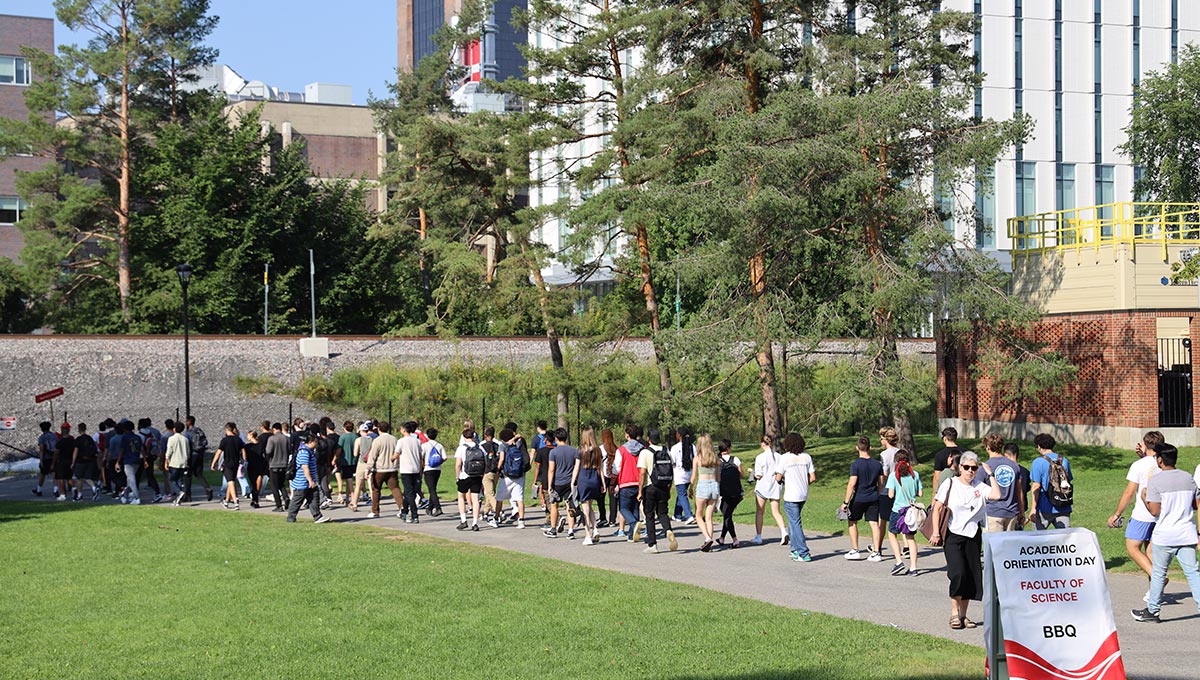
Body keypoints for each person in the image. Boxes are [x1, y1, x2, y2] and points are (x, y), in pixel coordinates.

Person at [929, 451, 1003, 630]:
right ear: (960, 467)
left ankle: (963, 616)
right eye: (967, 467)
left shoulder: (979, 486)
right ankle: (954, 612)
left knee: (971, 575)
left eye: (974, 468)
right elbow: (938, 507)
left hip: (973, 535)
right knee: (958, 573)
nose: (970, 471)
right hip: (953, 534)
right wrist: (936, 532)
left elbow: (997, 495)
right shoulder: (950, 483)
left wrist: (990, 474)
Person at [1130, 443, 1200, 624]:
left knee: (1159, 573)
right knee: (1193, 572)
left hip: (1165, 535)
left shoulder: (1156, 481)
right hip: (1187, 533)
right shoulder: (1188, 478)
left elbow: (1154, 511)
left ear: (1160, 459)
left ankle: (1153, 611)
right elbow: (1194, 505)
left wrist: (1145, 497)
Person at [1108, 431, 1165, 593]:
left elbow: (1129, 492)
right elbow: (1152, 472)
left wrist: (1117, 514)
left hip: (1142, 514)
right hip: (1160, 514)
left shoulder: (1138, 466)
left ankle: (1157, 577)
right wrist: (1143, 456)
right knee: (1151, 551)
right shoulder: (1163, 463)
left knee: (1133, 548)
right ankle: (1154, 592)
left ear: (1145, 445)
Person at [840, 436, 884, 561]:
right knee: (874, 524)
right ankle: (876, 552)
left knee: (852, 522)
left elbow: (852, 484)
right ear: (869, 448)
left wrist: (845, 502)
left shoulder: (856, 465)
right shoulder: (877, 464)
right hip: (874, 497)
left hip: (859, 498)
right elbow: (881, 483)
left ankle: (855, 549)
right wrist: (879, 495)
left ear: (857, 448)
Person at [775, 433, 815, 562]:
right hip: (803, 493)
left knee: (795, 523)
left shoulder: (784, 458)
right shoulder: (806, 457)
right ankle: (794, 549)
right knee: (793, 522)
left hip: (791, 495)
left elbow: (778, 477)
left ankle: (804, 552)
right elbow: (812, 477)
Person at [637, 428, 677, 553]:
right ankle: (668, 530)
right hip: (664, 486)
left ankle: (652, 544)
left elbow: (642, 473)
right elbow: (671, 471)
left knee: (649, 515)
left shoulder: (645, 452)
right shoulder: (666, 451)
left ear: (648, 439)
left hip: (650, 487)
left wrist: (639, 491)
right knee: (663, 513)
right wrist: (669, 488)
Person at [884, 450, 922, 575]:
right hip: (911, 511)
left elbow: (890, 495)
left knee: (892, 533)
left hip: (898, 510)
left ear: (896, 461)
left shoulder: (893, 476)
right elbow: (920, 493)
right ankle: (913, 567)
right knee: (910, 537)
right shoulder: (914, 474)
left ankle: (899, 561)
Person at [981, 432, 1025, 533]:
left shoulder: (985, 467)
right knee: (1009, 547)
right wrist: (1021, 512)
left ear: (987, 447)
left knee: (994, 547)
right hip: (1012, 512)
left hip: (993, 513)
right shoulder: (1014, 466)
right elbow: (1019, 491)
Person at [1028, 433, 1072, 530]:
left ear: (1039, 446)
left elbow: (1036, 486)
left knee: (1038, 541)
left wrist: (1033, 509)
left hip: (1044, 507)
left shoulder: (1038, 462)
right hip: (1063, 504)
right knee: (1065, 540)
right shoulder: (1064, 460)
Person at [286, 433, 331, 524]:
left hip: (310, 482)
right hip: (303, 482)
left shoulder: (309, 451)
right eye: (316, 442)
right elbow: (305, 467)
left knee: (314, 497)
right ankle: (291, 518)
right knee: (297, 500)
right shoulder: (304, 452)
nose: (317, 444)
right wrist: (310, 480)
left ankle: (317, 516)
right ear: (311, 441)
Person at [545, 428, 580, 539]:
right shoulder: (574, 451)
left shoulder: (553, 452)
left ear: (556, 439)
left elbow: (551, 470)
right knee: (569, 506)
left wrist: (550, 485)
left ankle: (553, 529)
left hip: (558, 482)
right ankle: (570, 531)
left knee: (554, 505)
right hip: (569, 482)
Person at [751, 434, 786, 545]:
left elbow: (758, 475)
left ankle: (759, 536)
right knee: (776, 512)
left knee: (760, 512)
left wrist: (751, 472)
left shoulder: (760, 457)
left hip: (763, 487)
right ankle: (783, 532)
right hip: (775, 486)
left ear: (762, 444)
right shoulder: (779, 457)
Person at [365, 421, 403, 520]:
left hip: (380, 469)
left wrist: (368, 469)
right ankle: (402, 507)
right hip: (392, 468)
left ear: (378, 429)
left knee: (376, 489)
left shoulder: (377, 440)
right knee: (395, 488)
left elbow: (372, 456)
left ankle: (375, 510)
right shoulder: (394, 439)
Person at [574, 427, 606, 545]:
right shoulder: (598, 450)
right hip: (595, 480)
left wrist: (573, 482)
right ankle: (595, 528)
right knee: (590, 506)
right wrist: (603, 483)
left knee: (585, 509)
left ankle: (587, 534)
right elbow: (600, 469)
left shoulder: (581, 450)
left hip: (584, 480)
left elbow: (576, 468)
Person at [690, 434, 721, 552]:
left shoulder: (697, 458)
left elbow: (693, 477)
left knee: (698, 515)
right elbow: (718, 477)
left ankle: (707, 538)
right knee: (709, 517)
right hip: (714, 486)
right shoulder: (715, 458)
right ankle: (709, 541)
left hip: (703, 485)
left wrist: (691, 488)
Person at [613, 424, 643, 541]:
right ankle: (632, 535)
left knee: (624, 508)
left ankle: (634, 523)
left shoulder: (621, 450)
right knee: (635, 508)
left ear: (627, 435)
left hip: (625, 481)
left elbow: (617, 468)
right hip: (638, 481)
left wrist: (613, 479)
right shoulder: (642, 449)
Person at [495, 427, 528, 529]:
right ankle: (521, 520)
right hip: (519, 475)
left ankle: (496, 518)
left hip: (507, 476)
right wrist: (514, 438)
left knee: (499, 497)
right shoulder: (518, 443)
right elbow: (519, 437)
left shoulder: (503, 446)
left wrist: (497, 469)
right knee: (519, 498)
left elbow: (502, 459)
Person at [714, 439, 744, 548]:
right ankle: (722, 538)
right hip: (736, 493)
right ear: (729, 448)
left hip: (723, 493)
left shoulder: (717, 461)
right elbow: (742, 475)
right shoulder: (735, 459)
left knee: (727, 516)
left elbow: (715, 477)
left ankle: (735, 540)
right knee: (728, 515)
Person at [455, 428, 484, 531]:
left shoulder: (461, 448)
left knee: (461, 497)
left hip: (464, 475)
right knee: (475, 499)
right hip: (477, 476)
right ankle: (475, 523)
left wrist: (457, 476)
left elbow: (458, 464)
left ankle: (463, 520)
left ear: (463, 437)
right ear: (474, 436)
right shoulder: (480, 447)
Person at [212, 423, 244, 510]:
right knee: (232, 481)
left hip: (227, 463)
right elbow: (243, 450)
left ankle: (235, 501)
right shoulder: (238, 440)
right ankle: (226, 500)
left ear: (227, 430)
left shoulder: (225, 440)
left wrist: (214, 462)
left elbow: (219, 452)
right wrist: (244, 460)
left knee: (230, 482)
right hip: (236, 463)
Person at [396, 421, 424, 523]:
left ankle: (414, 515)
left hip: (406, 470)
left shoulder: (401, 441)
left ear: (404, 430)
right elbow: (421, 456)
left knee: (410, 493)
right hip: (416, 469)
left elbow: (396, 454)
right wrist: (421, 469)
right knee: (408, 491)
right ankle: (404, 511)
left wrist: (392, 458)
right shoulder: (416, 441)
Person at [670, 427, 697, 525]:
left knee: (682, 495)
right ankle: (677, 514)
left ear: (679, 435)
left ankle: (688, 515)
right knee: (681, 493)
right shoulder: (692, 447)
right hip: (689, 474)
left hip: (679, 474)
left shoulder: (675, 448)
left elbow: (672, 462)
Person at [184, 416, 213, 502]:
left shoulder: (188, 433)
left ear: (189, 422)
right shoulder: (199, 430)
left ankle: (188, 495)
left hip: (192, 455)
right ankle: (207, 488)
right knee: (199, 474)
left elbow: (187, 444)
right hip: (200, 454)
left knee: (188, 475)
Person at [71, 423, 102, 502]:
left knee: (79, 478)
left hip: (81, 461)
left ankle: (79, 495)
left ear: (79, 429)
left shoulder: (78, 439)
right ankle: (94, 488)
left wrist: (73, 462)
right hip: (90, 460)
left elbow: (75, 451)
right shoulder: (90, 438)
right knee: (87, 477)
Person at [265, 423, 292, 512]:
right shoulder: (287, 439)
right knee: (281, 484)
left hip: (274, 464)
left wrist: (268, 461)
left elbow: (268, 451)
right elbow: (289, 451)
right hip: (284, 464)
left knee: (274, 486)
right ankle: (286, 497)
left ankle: (279, 505)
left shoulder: (272, 439)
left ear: (274, 429)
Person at [350, 422, 376, 511]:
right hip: (370, 463)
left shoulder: (358, 440)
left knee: (358, 485)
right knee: (371, 484)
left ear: (360, 431)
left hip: (361, 462)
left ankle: (354, 504)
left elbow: (355, 453)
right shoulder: (372, 440)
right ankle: (374, 504)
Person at [165, 420, 191, 506]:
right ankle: (178, 499)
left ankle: (179, 492)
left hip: (174, 462)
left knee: (172, 480)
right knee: (179, 480)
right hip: (183, 462)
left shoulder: (171, 439)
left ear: (174, 429)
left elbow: (169, 451)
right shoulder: (185, 439)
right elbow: (187, 451)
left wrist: (166, 461)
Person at [421, 427, 445, 517]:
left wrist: (423, 466)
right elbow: (444, 457)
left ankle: (438, 508)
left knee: (431, 489)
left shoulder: (424, 446)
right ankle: (430, 508)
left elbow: (421, 457)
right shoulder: (439, 445)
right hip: (437, 469)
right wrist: (438, 462)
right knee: (433, 488)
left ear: (427, 436)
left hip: (428, 469)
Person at [931, 426, 961, 493]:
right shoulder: (965, 452)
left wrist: (934, 494)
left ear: (945, 439)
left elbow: (937, 476)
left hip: (945, 490)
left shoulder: (939, 455)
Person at [481, 427, 502, 522]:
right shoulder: (497, 445)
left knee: (489, 493)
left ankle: (499, 511)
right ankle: (485, 512)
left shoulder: (482, 446)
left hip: (487, 471)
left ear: (485, 435)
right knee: (491, 492)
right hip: (496, 472)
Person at [335, 421, 358, 506]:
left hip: (345, 460)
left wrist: (335, 458)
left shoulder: (342, 437)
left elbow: (339, 449)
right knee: (350, 478)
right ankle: (348, 496)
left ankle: (352, 496)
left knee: (348, 479)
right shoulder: (356, 436)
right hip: (354, 460)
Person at [601, 428, 620, 528]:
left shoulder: (601, 448)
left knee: (601, 498)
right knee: (613, 499)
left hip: (603, 475)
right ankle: (612, 520)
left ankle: (603, 517)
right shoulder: (616, 449)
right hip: (614, 476)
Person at [34, 421, 59, 497]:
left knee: (43, 474)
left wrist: (41, 460)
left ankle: (39, 489)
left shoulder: (42, 437)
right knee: (54, 473)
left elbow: (42, 449)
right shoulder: (54, 436)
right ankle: (55, 490)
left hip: (46, 458)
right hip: (54, 456)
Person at [52, 423, 75, 502]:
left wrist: (53, 463)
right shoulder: (72, 440)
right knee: (69, 477)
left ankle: (63, 494)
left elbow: (56, 453)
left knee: (61, 478)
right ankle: (74, 488)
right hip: (70, 460)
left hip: (61, 461)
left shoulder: (60, 442)